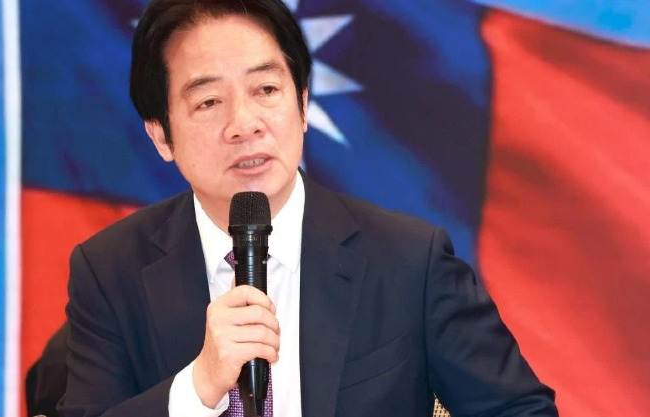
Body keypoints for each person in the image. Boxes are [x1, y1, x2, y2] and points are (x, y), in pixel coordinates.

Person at [58, 0, 558, 416]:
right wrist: (197, 387)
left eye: (266, 90)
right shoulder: (110, 271)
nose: (245, 123)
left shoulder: (410, 262)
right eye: (209, 102)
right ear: (161, 136)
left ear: (301, 105)